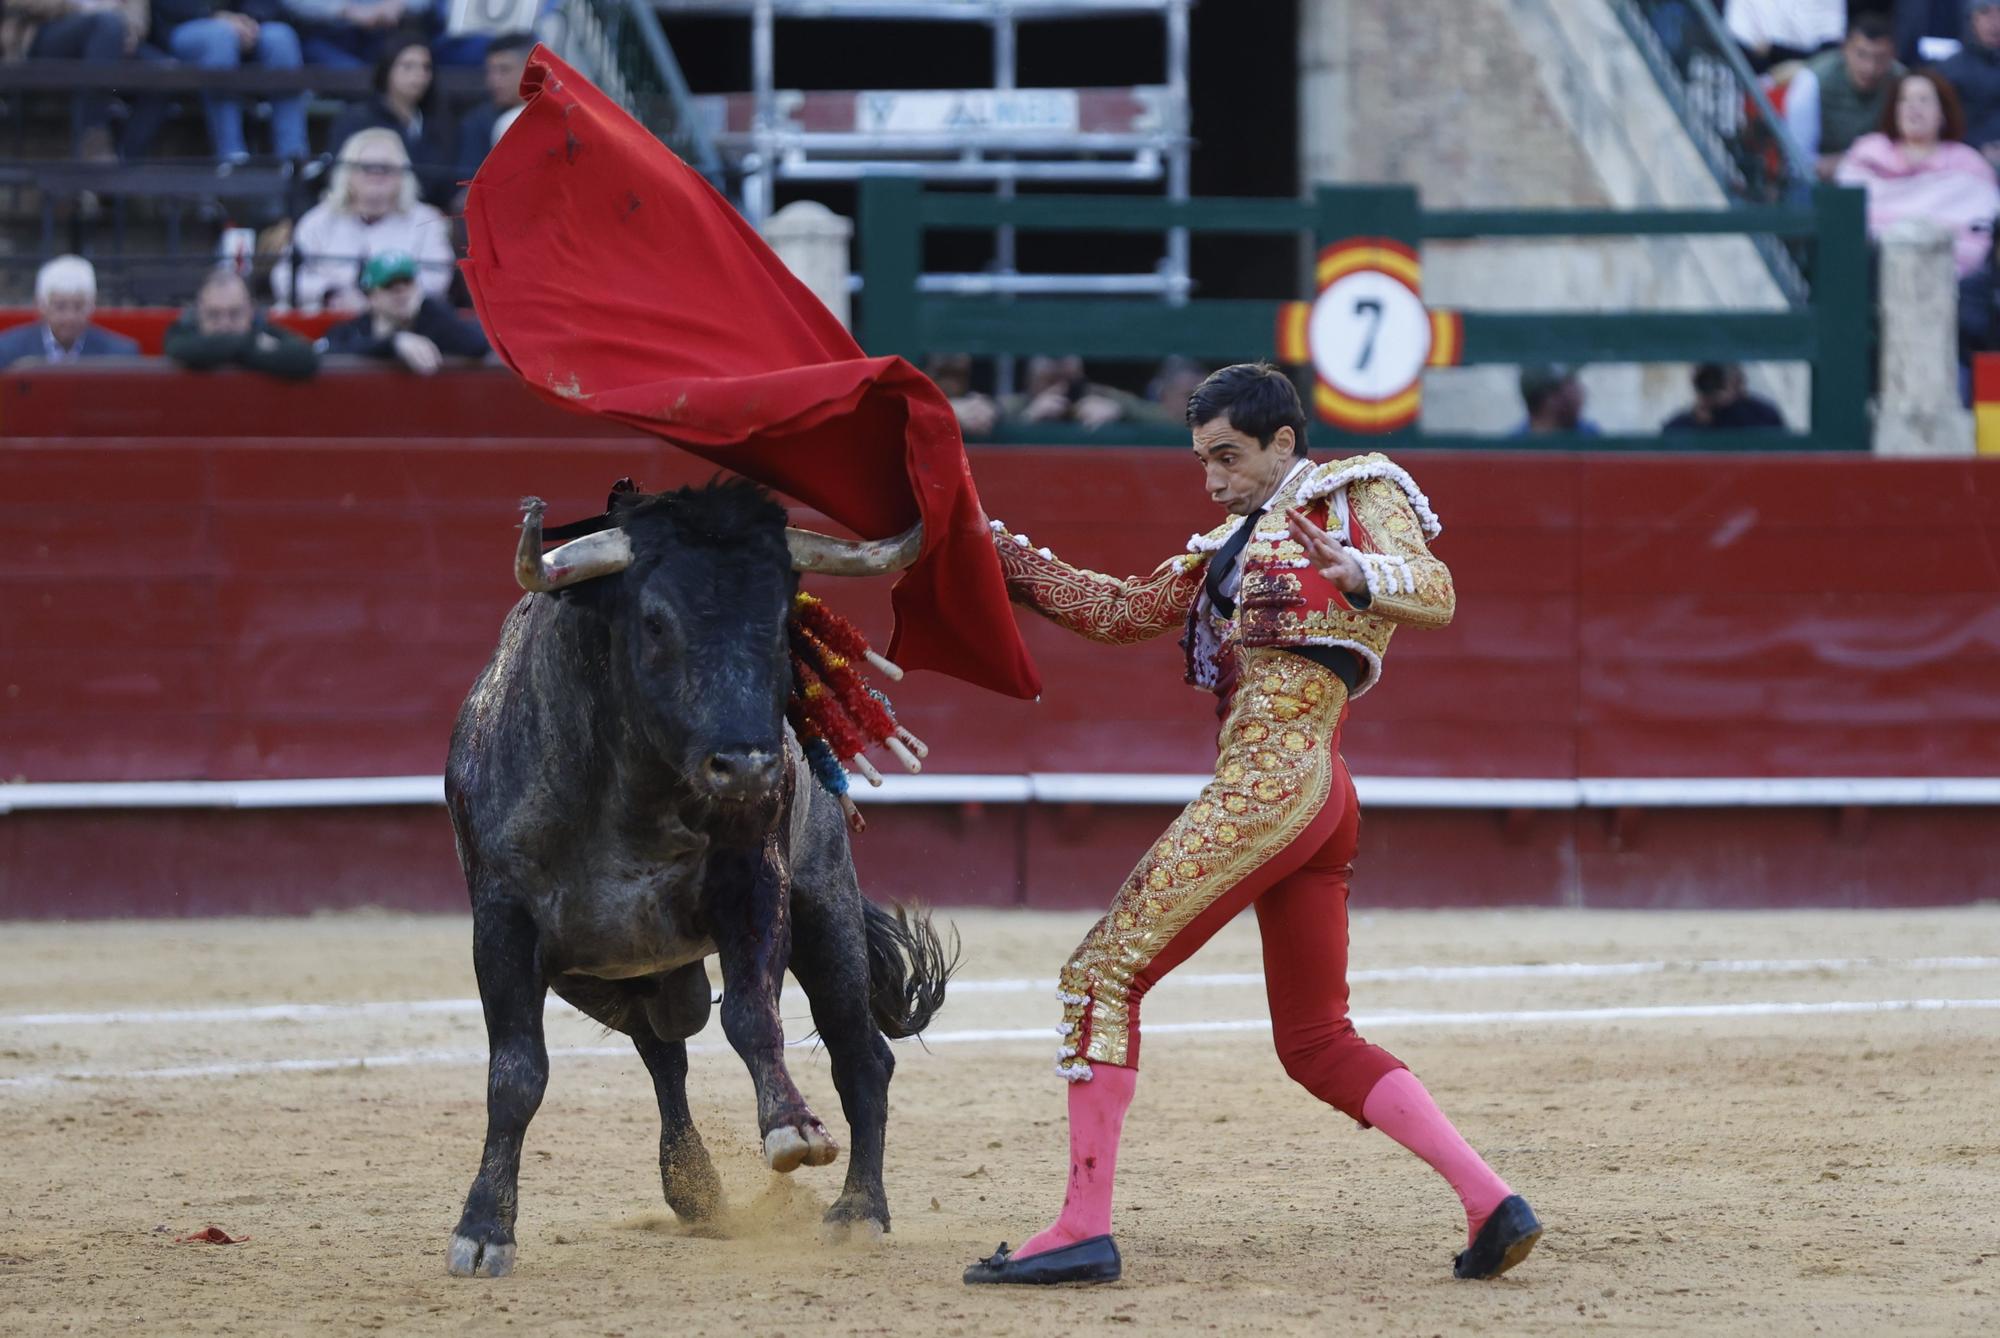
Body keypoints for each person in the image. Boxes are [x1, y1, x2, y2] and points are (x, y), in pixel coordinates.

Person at [964, 364, 1540, 1288]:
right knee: (1316, 1041)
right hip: (1312, 793)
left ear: (1283, 442)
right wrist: (994, 548)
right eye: (1202, 460)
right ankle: (1491, 1203)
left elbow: (1433, 589)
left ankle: (1080, 1225)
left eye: (1228, 456)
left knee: (1102, 973)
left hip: (1276, 780)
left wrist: (1362, 572)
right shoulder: (1222, 546)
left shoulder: (1357, 489)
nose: (1214, 478)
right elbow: (1121, 611)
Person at [270, 126, 454, 312]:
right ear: (347, 175)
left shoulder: (426, 221)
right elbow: (282, 277)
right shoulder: (318, 220)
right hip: (332, 321)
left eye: (385, 168)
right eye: (366, 168)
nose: (376, 175)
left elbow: (438, 279)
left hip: (405, 322)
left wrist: (389, 296)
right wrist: (330, 293)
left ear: (403, 175)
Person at [1837, 69, 2000, 276]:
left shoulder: (1969, 164)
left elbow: (1980, 233)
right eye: (1905, 100)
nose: (1913, 107)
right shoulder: (1867, 153)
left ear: (1942, 114)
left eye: (1923, 100)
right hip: (1871, 270)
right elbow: (1846, 219)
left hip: (1950, 278)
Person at [152, 0, 309, 165]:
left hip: (243, 22)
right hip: (183, 25)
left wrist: (248, 20)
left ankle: (293, 156)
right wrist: (216, 17)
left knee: (281, 37)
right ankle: (231, 157)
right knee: (221, 37)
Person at [2, 0, 150, 161]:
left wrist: (132, 31)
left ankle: (127, 165)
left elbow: (137, 10)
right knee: (105, 24)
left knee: (161, 69)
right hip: (45, 31)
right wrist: (80, 5)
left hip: (113, 37)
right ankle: (93, 137)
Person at [324, 31, 453, 205]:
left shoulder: (439, 122)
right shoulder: (356, 120)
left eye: (426, 67)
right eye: (408, 66)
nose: (419, 74)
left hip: (424, 217)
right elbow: (338, 176)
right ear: (387, 70)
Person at [319, 250, 488, 372]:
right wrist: (394, 342)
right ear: (371, 296)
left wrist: (428, 306)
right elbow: (326, 353)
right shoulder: (351, 329)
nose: (401, 292)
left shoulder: (435, 321)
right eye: (389, 286)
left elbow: (478, 344)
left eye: (407, 283)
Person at [1784, 14, 1902, 179]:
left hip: (1888, 184)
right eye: (1862, 54)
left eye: (1880, 58)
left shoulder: (1903, 82)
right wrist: (1860, 161)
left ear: (1892, 55)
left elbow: (1911, 154)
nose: (1870, 67)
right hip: (1824, 186)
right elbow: (1799, 164)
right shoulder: (1811, 81)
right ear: (1845, 49)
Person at [162, 267, 319, 379]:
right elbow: (178, 348)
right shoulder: (181, 333)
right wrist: (253, 345)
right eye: (213, 315)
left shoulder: (265, 330)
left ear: (250, 310)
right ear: (199, 312)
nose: (224, 324)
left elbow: (306, 358)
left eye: (235, 314)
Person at [0, 255, 139, 368]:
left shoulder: (119, 355)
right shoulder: (7, 351)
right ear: (41, 306)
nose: (70, 317)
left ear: (92, 305)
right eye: (60, 306)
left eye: (79, 306)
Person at [452, 29, 531, 193]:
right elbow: (466, 189)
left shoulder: (556, 114)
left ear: (530, 68)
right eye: (490, 71)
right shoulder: (476, 122)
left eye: (504, 70)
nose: (494, 80)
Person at [1003, 354, 1140, 430]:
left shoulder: (1100, 394)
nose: (1061, 389)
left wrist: (1119, 412)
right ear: (1031, 382)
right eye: (1051, 381)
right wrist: (1028, 418)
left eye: (1068, 380)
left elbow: (1157, 414)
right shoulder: (1017, 404)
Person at [281, 0, 432, 68]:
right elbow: (293, 4)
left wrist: (399, 3)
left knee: (402, 72)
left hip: (382, 36)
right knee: (360, 75)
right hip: (325, 37)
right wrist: (346, 10)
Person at [1939, 1, 2000, 168]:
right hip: (1964, 162)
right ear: (1971, 19)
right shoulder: (1949, 71)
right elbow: (1943, 126)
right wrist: (1977, 148)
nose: (1995, 22)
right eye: (1985, 12)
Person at [1661, 362, 1786, 432]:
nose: (1711, 382)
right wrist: (1699, 423)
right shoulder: (1678, 427)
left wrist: (1733, 408)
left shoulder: (1763, 417)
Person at [1724, 0, 1845, 71]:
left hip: (1811, 79)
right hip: (1753, 81)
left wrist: (1773, 50)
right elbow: (1739, 49)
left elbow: (1831, 53)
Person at [1510, 364, 1602, 436]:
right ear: (1549, 399)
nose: (1581, 389)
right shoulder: (1510, 451)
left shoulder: (1593, 439)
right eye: (1571, 382)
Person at [926, 352, 999, 437]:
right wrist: (950, 410)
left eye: (958, 375)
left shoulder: (976, 403)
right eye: (944, 374)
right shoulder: (919, 402)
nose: (950, 383)